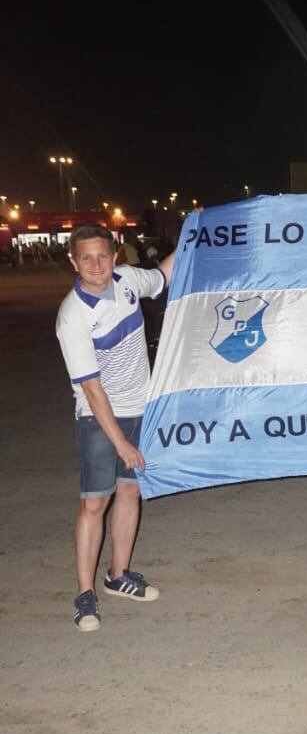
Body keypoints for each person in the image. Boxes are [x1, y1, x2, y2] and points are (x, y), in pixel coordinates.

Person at [56, 225, 175, 631]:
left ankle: (118, 575)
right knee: (94, 502)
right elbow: (91, 389)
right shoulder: (72, 316)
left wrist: (197, 229)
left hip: (140, 407)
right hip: (98, 417)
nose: (95, 265)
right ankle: (85, 595)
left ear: (114, 256)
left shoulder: (128, 281)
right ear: (73, 262)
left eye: (102, 256)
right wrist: (121, 442)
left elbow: (163, 275)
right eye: (85, 258)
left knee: (130, 490)